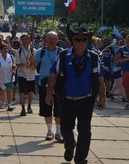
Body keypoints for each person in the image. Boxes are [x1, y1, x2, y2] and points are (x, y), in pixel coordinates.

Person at [46, 27, 106, 163]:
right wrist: (49, 94)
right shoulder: (63, 56)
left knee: (84, 131)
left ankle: (80, 159)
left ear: (88, 41)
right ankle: (70, 145)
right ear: (72, 40)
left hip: (86, 100)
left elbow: (100, 80)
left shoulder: (94, 57)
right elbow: (53, 76)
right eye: (77, 39)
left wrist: (102, 98)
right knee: (66, 129)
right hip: (66, 99)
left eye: (84, 39)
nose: (80, 42)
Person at [34, 31, 63, 143]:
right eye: (49, 38)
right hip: (44, 83)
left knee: (58, 108)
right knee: (46, 108)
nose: (51, 40)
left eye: (53, 38)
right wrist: (31, 63)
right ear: (46, 39)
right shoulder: (40, 52)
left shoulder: (61, 53)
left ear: (57, 40)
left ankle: (58, 132)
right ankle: (49, 131)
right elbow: (32, 68)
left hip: (58, 84)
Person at [15, 34, 36, 116]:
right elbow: (17, 64)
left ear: (29, 40)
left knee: (31, 91)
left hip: (31, 74)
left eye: (26, 39)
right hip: (22, 74)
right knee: (22, 91)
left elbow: (35, 64)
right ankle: (23, 108)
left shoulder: (33, 51)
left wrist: (32, 61)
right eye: (22, 39)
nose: (24, 41)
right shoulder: (18, 51)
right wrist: (24, 64)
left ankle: (29, 106)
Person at [0, 43, 16, 111]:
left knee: (9, 90)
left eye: (6, 48)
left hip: (9, 75)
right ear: (1, 50)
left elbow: (14, 64)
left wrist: (13, 69)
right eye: (4, 48)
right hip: (0, 76)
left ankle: (9, 104)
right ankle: (3, 102)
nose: (5, 50)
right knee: (2, 91)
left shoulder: (11, 56)